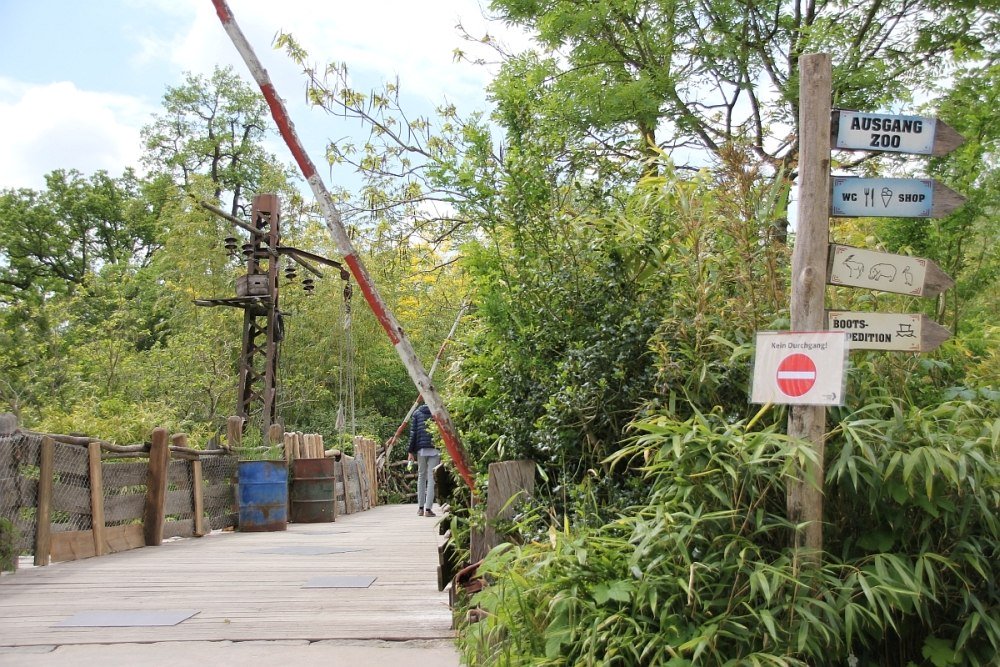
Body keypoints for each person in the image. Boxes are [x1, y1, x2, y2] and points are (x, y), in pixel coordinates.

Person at [407, 403, 440, 517]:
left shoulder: (417, 413)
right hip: (435, 448)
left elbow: (413, 433)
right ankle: (428, 509)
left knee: (421, 476)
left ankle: (420, 508)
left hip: (421, 449)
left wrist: (410, 451)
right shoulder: (437, 411)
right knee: (431, 478)